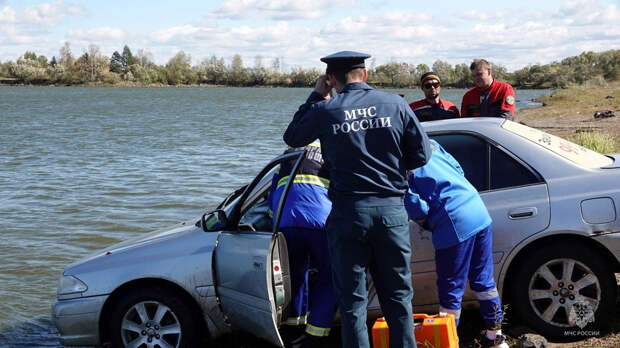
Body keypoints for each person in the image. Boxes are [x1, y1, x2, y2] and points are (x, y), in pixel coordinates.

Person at [283, 50, 431, 348]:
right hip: (390, 212)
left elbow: (293, 137)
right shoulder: (396, 104)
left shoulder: (326, 110)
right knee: (398, 298)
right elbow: (421, 155)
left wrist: (316, 95)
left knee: (352, 304)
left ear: (332, 79)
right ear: (365, 74)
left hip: (349, 215)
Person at [404, 139, 508, 348]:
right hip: (477, 210)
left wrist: (427, 221)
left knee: (450, 290)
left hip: (453, 221)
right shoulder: (429, 142)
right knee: (484, 282)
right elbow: (458, 169)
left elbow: (414, 203)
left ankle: (449, 342)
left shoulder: (397, 159)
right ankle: (495, 337)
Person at [267, 141, 337, 348]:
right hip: (321, 222)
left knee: (295, 276)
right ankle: (317, 333)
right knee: (329, 276)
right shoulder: (332, 150)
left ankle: (294, 329)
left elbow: (272, 198)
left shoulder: (288, 156)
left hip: (287, 222)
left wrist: (276, 220)